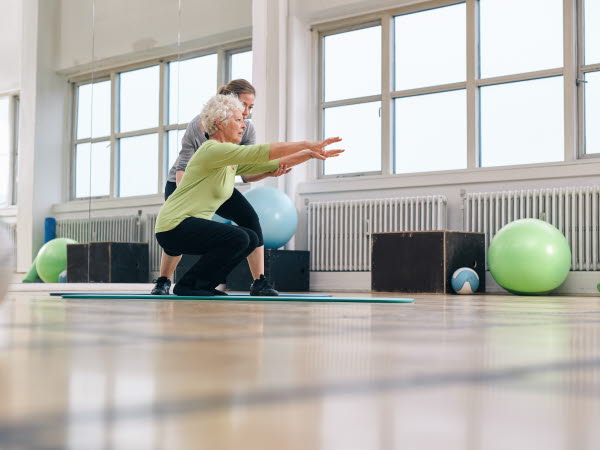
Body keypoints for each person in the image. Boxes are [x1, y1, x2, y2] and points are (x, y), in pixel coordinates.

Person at [154, 94, 343, 296]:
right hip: (173, 227)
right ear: (220, 123)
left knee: (250, 238)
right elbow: (263, 152)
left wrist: (310, 154)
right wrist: (306, 143)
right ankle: (190, 285)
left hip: (187, 227)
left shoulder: (227, 157)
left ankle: (202, 284)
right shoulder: (212, 150)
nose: (243, 125)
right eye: (238, 120)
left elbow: (273, 163)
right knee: (239, 237)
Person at [152, 79, 290, 296]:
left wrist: (268, 171)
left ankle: (259, 282)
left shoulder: (246, 128)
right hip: (183, 181)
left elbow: (245, 170)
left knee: (250, 221)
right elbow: (183, 167)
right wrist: (188, 201)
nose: (246, 112)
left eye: (250, 107)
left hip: (218, 183)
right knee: (178, 231)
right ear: (228, 102)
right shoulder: (199, 124)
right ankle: (163, 281)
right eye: (243, 105)